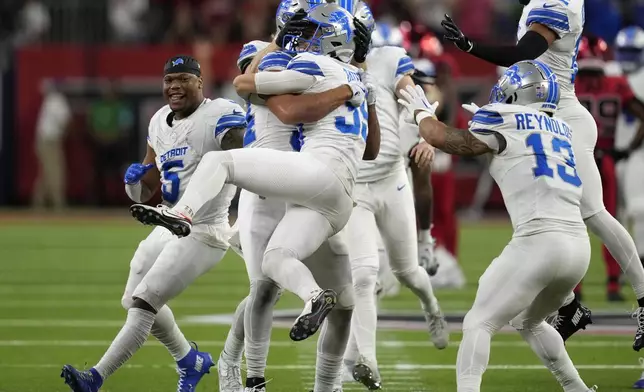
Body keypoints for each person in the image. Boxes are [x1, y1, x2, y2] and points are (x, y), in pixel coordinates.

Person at [130, 0, 380, 366]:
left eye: (312, 32)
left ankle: (182, 214)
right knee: (275, 269)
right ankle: (303, 310)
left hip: (305, 175)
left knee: (221, 162)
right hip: (327, 194)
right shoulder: (351, 74)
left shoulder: (314, 64)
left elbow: (256, 91)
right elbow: (371, 149)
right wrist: (353, 85)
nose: (306, 39)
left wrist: (292, 53)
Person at [441, 0, 644, 346]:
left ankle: (641, 297)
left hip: (562, 116)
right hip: (540, 114)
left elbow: (522, 54)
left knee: (592, 211)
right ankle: (568, 306)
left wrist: (469, 45)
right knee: (530, 210)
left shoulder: (557, 5)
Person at [399, 59, 597, 392]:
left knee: (478, 321)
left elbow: (442, 138)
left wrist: (422, 113)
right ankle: (576, 387)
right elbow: (521, 145)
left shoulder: (502, 119)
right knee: (528, 320)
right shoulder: (560, 127)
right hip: (578, 247)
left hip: (539, 241)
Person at [60, 55, 247, 392]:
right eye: (169, 80)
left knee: (145, 303)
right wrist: (133, 183)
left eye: (183, 79)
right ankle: (190, 360)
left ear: (200, 82)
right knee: (131, 298)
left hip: (203, 230)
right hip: (167, 220)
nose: (174, 86)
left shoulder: (219, 112)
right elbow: (145, 189)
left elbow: (243, 151)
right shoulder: (159, 120)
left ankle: (96, 378)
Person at [217, 2, 374, 391]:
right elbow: (256, 88)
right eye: (303, 27)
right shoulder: (267, 52)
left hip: (305, 182)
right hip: (265, 182)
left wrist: (353, 74)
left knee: (339, 293)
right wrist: (346, 82)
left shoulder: (323, 65)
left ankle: (326, 383)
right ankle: (246, 374)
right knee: (264, 287)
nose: (308, 35)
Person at [339, 18, 449, 392]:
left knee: (407, 272)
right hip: (354, 187)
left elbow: (412, 93)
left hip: (390, 179)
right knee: (365, 275)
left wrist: (428, 131)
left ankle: (432, 307)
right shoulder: (320, 63)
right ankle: (367, 360)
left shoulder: (388, 59)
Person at [572, 35, 644, 302]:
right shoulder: (616, 83)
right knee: (609, 223)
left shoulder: (570, 84)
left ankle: (575, 287)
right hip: (606, 160)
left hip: (577, 161)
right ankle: (613, 283)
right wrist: (625, 150)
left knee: (574, 224)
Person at [32, 80, 71, 211]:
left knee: (46, 172)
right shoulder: (57, 100)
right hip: (50, 141)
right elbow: (66, 121)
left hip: (42, 141)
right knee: (55, 172)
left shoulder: (50, 100)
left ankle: (38, 203)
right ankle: (58, 203)